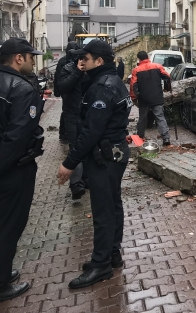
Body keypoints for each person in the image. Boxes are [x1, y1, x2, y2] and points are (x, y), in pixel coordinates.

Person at [56, 40, 131, 289]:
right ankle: (112, 253)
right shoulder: (109, 81)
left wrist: (69, 163)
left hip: (106, 156)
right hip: (113, 154)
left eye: (85, 59)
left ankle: (101, 265)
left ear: (99, 61)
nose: (81, 63)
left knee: (103, 211)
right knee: (113, 204)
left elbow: (91, 132)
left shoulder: (103, 87)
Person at [0, 38, 44, 302]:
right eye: (30, 57)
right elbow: (16, 137)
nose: (32, 61)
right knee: (9, 225)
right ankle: (2, 283)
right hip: (12, 170)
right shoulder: (22, 89)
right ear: (19, 58)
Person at [56, 44, 86, 200]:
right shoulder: (68, 68)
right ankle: (75, 184)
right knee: (75, 147)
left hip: (87, 114)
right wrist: (77, 72)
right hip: (71, 113)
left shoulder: (92, 71)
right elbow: (61, 87)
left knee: (89, 146)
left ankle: (85, 180)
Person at [129, 51, 171, 146]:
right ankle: (166, 138)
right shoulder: (157, 66)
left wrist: (134, 97)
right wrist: (168, 88)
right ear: (148, 57)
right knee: (160, 117)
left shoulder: (136, 70)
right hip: (157, 96)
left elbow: (133, 85)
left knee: (143, 118)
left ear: (139, 59)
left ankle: (140, 137)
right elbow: (167, 77)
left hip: (144, 98)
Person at [53, 43, 78, 144]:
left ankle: (64, 134)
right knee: (67, 112)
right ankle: (64, 133)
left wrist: (57, 91)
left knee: (66, 111)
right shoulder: (65, 61)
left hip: (67, 90)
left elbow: (57, 76)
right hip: (69, 90)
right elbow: (58, 76)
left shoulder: (63, 60)